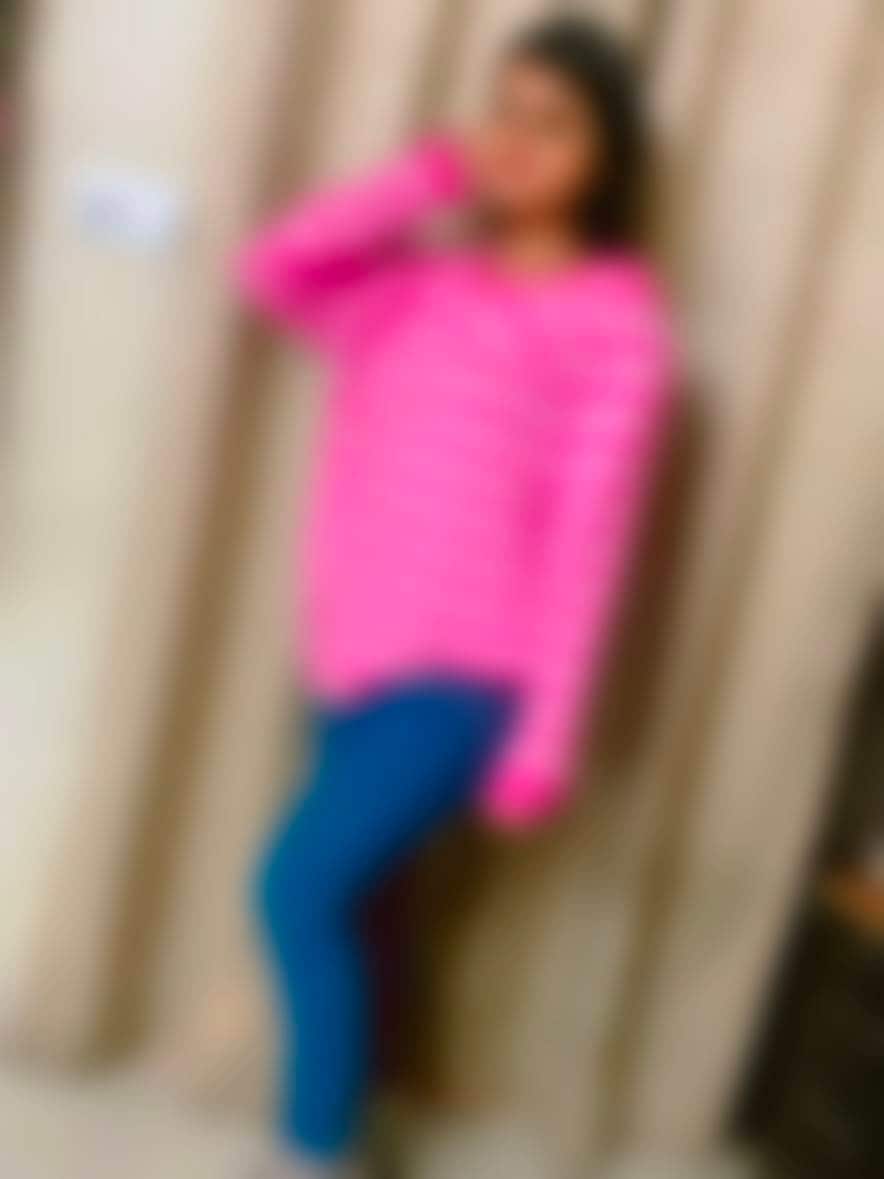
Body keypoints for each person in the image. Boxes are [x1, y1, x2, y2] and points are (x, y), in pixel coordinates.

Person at [236, 13, 674, 1178]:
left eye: (555, 123)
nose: (518, 140)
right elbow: (269, 269)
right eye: (505, 110)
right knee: (358, 909)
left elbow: (588, 548)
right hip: (349, 653)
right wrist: (422, 179)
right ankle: (356, 1119)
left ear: (606, 159)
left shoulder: (618, 327)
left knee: (293, 894)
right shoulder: (416, 287)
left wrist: (545, 735)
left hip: (465, 680)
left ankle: (310, 1151)